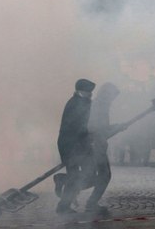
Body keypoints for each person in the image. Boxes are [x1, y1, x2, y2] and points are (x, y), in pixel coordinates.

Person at [85, 82, 127, 212]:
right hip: (95, 145)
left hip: (98, 144)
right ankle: (91, 202)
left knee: (100, 175)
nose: (113, 99)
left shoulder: (100, 105)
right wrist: (114, 128)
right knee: (103, 176)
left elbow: (103, 127)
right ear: (106, 94)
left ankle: (90, 201)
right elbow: (95, 127)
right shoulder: (99, 106)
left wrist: (116, 127)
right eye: (112, 96)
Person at [55, 79, 95, 214]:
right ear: (80, 91)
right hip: (70, 144)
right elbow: (75, 127)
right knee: (76, 177)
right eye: (88, 91)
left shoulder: (82, 102)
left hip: (78, 144)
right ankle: (63, 206)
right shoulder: (76, 104)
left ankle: (62, 181)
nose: (90, 94)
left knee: (85, 175)